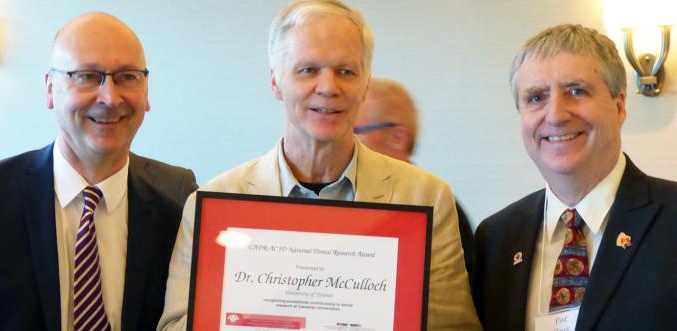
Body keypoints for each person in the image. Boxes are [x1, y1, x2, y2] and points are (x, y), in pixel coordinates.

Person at [158, 1, 480, 330]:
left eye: (346, 71)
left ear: (365, 84)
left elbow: (454, 327)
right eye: (308, 69)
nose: (328, 88)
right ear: (275, 81)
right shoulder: (214, 203)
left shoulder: (426, 198)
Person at [0, 12, 198, 330]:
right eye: (87, 76)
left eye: (127, 77)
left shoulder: (177, 222)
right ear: (50, 89)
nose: (110, 97)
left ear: (146, 91)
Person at [472, 24, 677, 331]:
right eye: (536, 97)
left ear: (619, 106)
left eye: (576, 91)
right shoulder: (496, 238)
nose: (555, 114)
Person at [354, 77, 475, 278]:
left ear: (397, 138)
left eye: (354, 131)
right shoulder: (348, 199)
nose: (343, 143)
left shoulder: (437, 208)